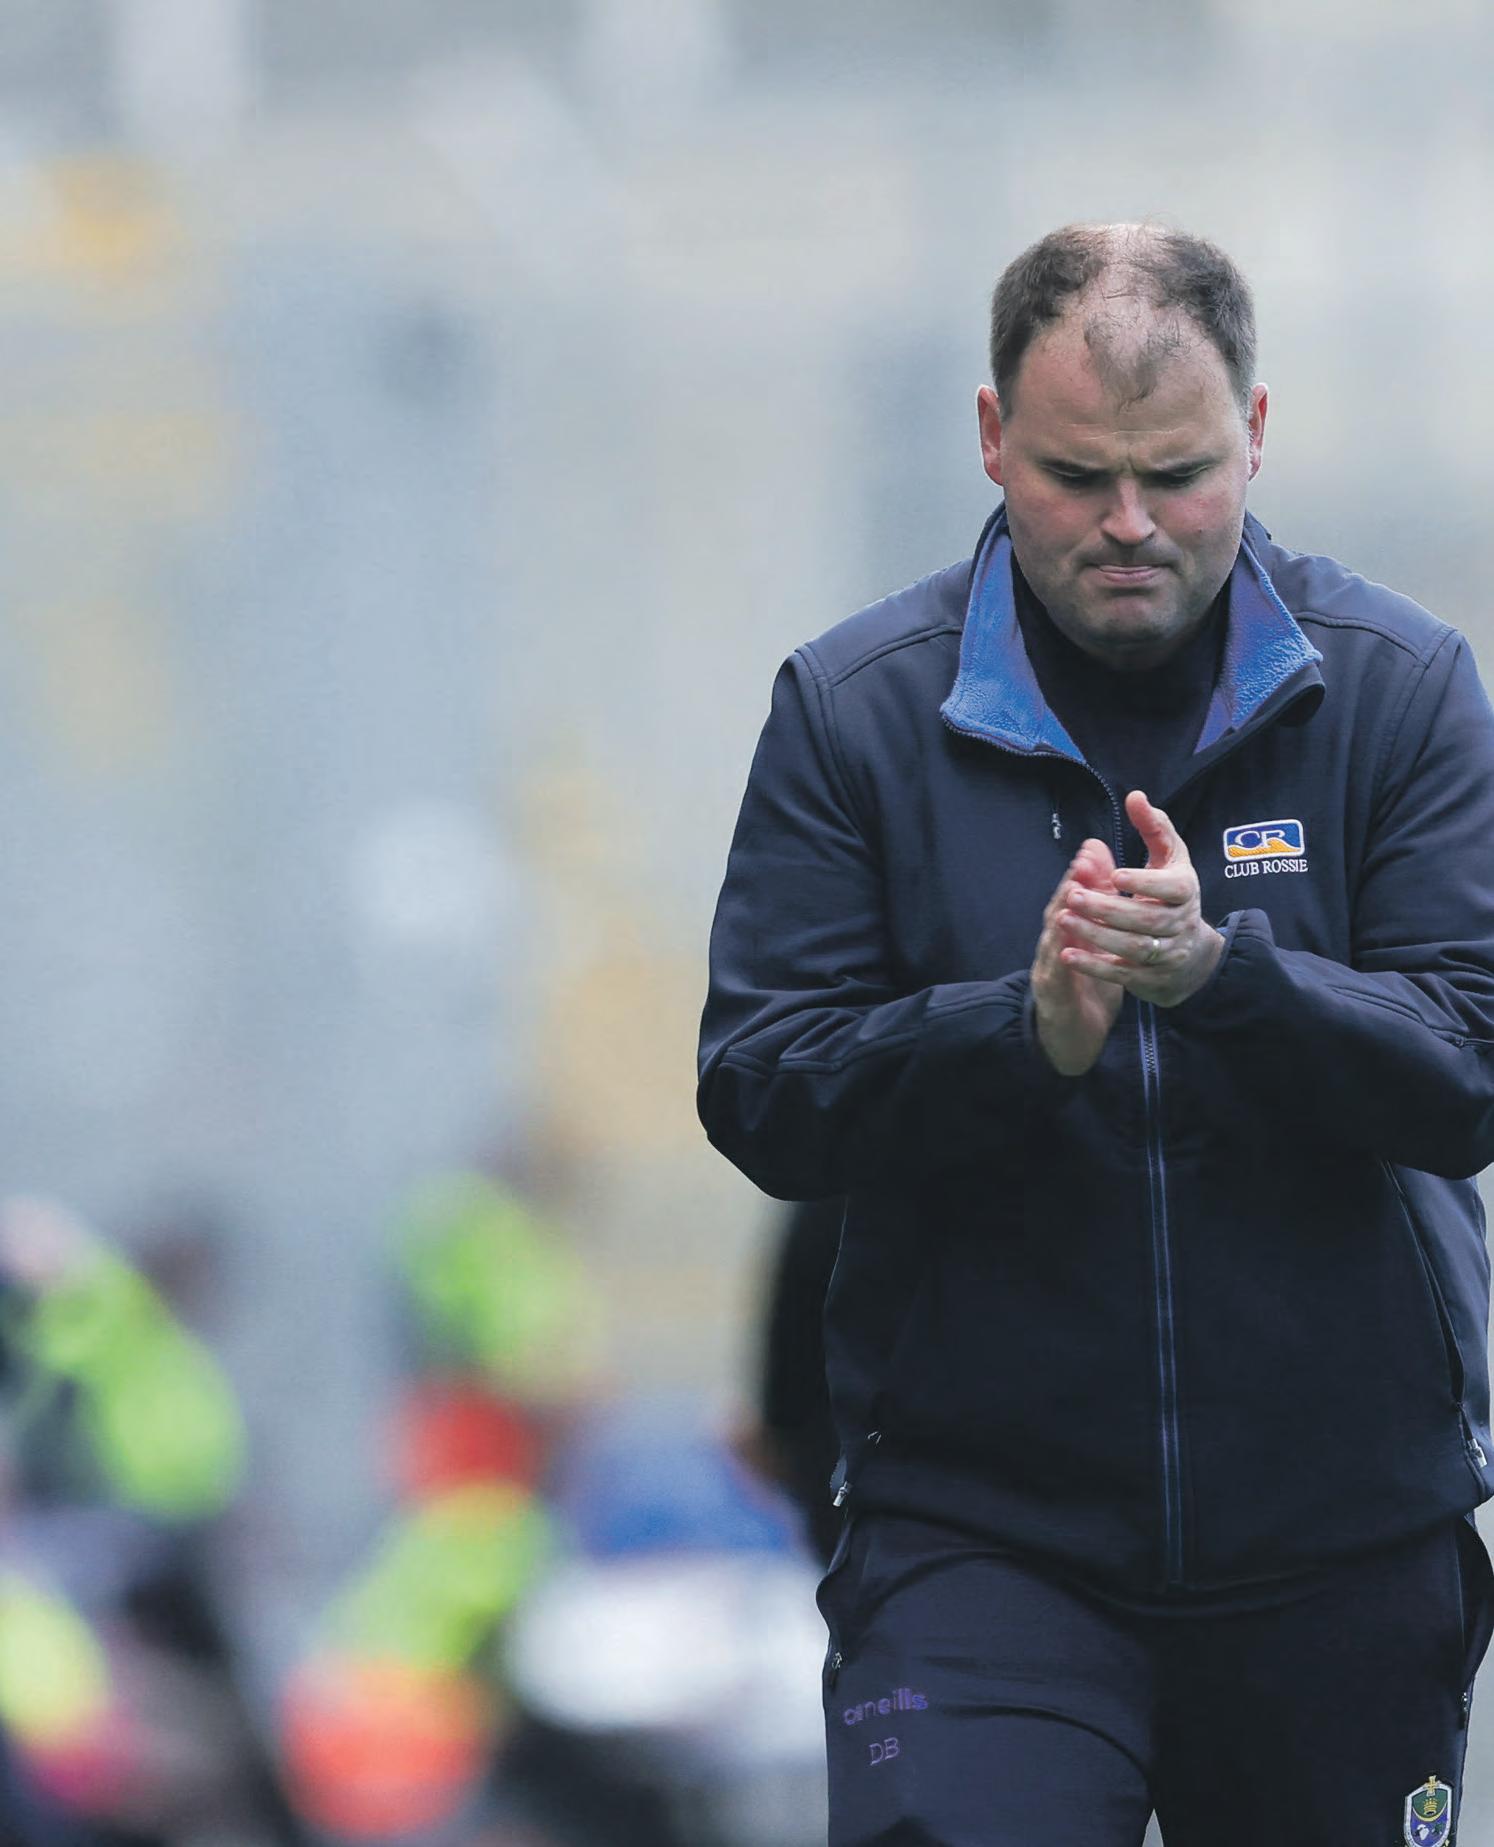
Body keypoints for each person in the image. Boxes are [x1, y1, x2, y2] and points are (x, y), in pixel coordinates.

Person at [696, 222, 1494, 1846]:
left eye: (1177, 475)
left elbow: (1470, 1065)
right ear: (992, 438)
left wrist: (1225, 979)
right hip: (979, 1541)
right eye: (1075, 477)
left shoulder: (1400, 689)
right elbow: (762, 1086)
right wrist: (1021, 1034)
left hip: (1342, 1540)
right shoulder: (855, 711)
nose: (1128, 523)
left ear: (1253, 434)